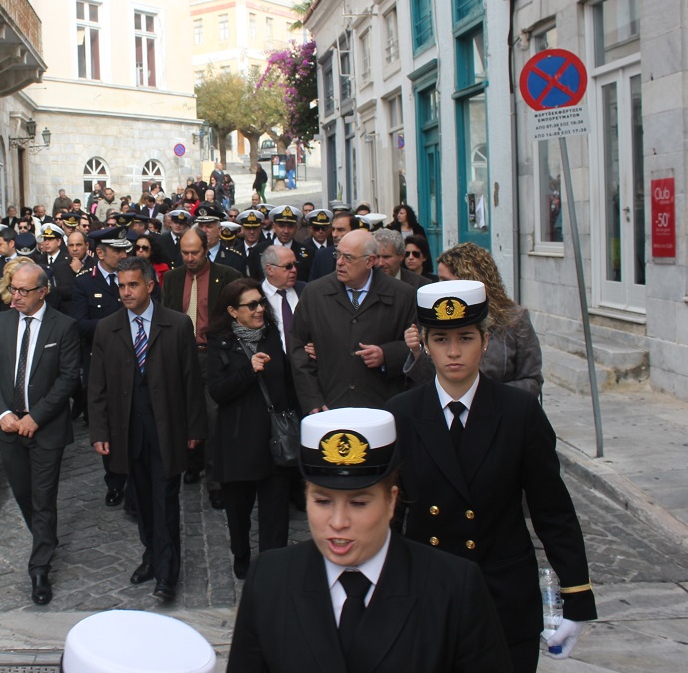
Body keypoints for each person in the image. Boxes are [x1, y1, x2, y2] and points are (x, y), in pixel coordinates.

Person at [388, 281, 595, 672]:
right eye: (441, 339)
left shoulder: (519, 413)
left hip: (503, 596)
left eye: (465, 338)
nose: (453, 352)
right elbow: (389, 516)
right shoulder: (401, 414)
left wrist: (577, 596)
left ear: (485, 341)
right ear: (425, 344)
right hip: (428, 595)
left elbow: (552, 511)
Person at [228, 408, 511, 672]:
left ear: (391, 501)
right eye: (323, 501)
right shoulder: (269, 579)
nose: (338, 522)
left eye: (359, 503)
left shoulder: (453, 588)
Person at [88, 257, 206, 603]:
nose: (126, 292)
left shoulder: (177, 325)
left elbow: (191, 381)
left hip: (167, 429)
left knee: (165, 499)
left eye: (133, 285)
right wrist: (100, 432)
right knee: (140, 499)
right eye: (121, 286)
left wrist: (194, 427)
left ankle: (167, 573)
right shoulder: (107, 328)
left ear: (150, 286)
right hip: (128, 431)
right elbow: (97, 386)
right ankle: (151, 555)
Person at [0, 264, 80, 604]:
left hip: (46, 429)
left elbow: (68, 378)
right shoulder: (1, 322)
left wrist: (36, 417)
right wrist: (3, 413)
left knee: (43, 497)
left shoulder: (63, 326)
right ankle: (44, 536)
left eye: (24, 290)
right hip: (9, 428)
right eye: (13, 288)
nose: (16, 296)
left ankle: (39, 568)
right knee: (23, 494)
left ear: (43, 291)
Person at [208, 279, 299, 580]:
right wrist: (249, 370)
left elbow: (286, 382)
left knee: (275, 512)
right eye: (251, 305)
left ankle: (271, 566)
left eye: (261, 302)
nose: (259, 309)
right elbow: (218, 391)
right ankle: (242, 555)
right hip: (238, 443)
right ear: (232, 311)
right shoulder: (220, 342)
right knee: (239, 510)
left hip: (274, 440)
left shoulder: (271, 335)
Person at [289, 230, 417, 410]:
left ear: (370, 261)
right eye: (338, 254)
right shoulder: (315, 293)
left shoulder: (402, 295)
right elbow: (298, 348)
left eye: (348, 257)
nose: (339, 262)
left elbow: (419, 347)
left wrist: (387, 355)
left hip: (381, 406)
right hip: (330, 405)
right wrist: (312, 399)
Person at [161, 228, 241, 508]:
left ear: (206, 249)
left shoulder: (228, 276)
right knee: (183, 412)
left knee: (214, 418)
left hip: (213, 356)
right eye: (184, 253)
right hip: (181, 355)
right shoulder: (172, 278)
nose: (190, 258)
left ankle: (216, 481)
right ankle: (191, 463)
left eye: (195, 252)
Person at [403, 243, 544, 399]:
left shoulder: (515, 318)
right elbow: (429, 380)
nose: (440, 287)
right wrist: (417, 351)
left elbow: (532, 380)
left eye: (446, 280)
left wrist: (487, 395)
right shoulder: (437, 317)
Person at [70, 227, 133, 505]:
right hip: (103, 362)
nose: (123, 255)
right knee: (109, 421)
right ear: (100, 253)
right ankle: (115, 480)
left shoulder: (133, 277)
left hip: (136, 357)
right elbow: (80, 324)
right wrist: (116, 326)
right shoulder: (85, 283)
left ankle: (136, 477)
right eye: (117, 251)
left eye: (125, 250)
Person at [260, 245, 305, 356]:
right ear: (270, 269)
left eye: (295, 265)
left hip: (305, 361)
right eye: (288, 266)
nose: (294, 270)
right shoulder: (256, 295)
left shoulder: (306, 291)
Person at [266, 206, 313, 281]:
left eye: (290, 226)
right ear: (274, 227)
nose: (286, 231)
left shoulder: (308, 252)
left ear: (296, 228)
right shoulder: (260, 250)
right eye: (281, 226)